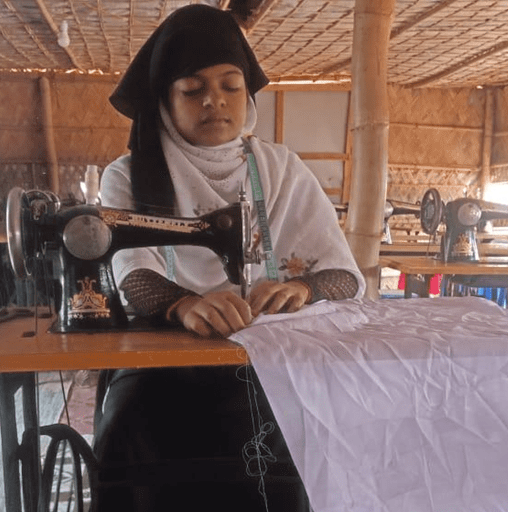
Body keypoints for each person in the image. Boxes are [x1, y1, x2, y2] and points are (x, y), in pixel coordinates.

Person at [91, 5, 364, 511]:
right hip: (160, 367)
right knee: (129, 423)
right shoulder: (127, 176)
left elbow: (344, 278)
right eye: (192, 89)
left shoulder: (282, 170)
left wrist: (304, 288)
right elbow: (130, 277)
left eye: (230, 85)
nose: (214, 100)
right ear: (164, 101)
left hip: (269, 360)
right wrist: (182, 304)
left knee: (312, 428)